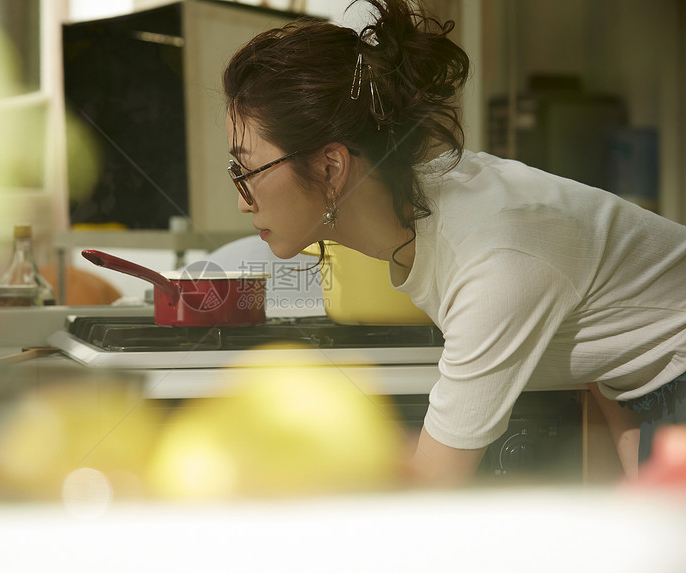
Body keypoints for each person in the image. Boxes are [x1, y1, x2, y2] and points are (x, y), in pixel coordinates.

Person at [222, 0, 686, 486]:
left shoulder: (493, 257)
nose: (243, 200)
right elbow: (619, 316)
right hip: (648, 390)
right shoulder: (439, 200)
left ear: (330, 168)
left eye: (245, 170)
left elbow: (431, 487)